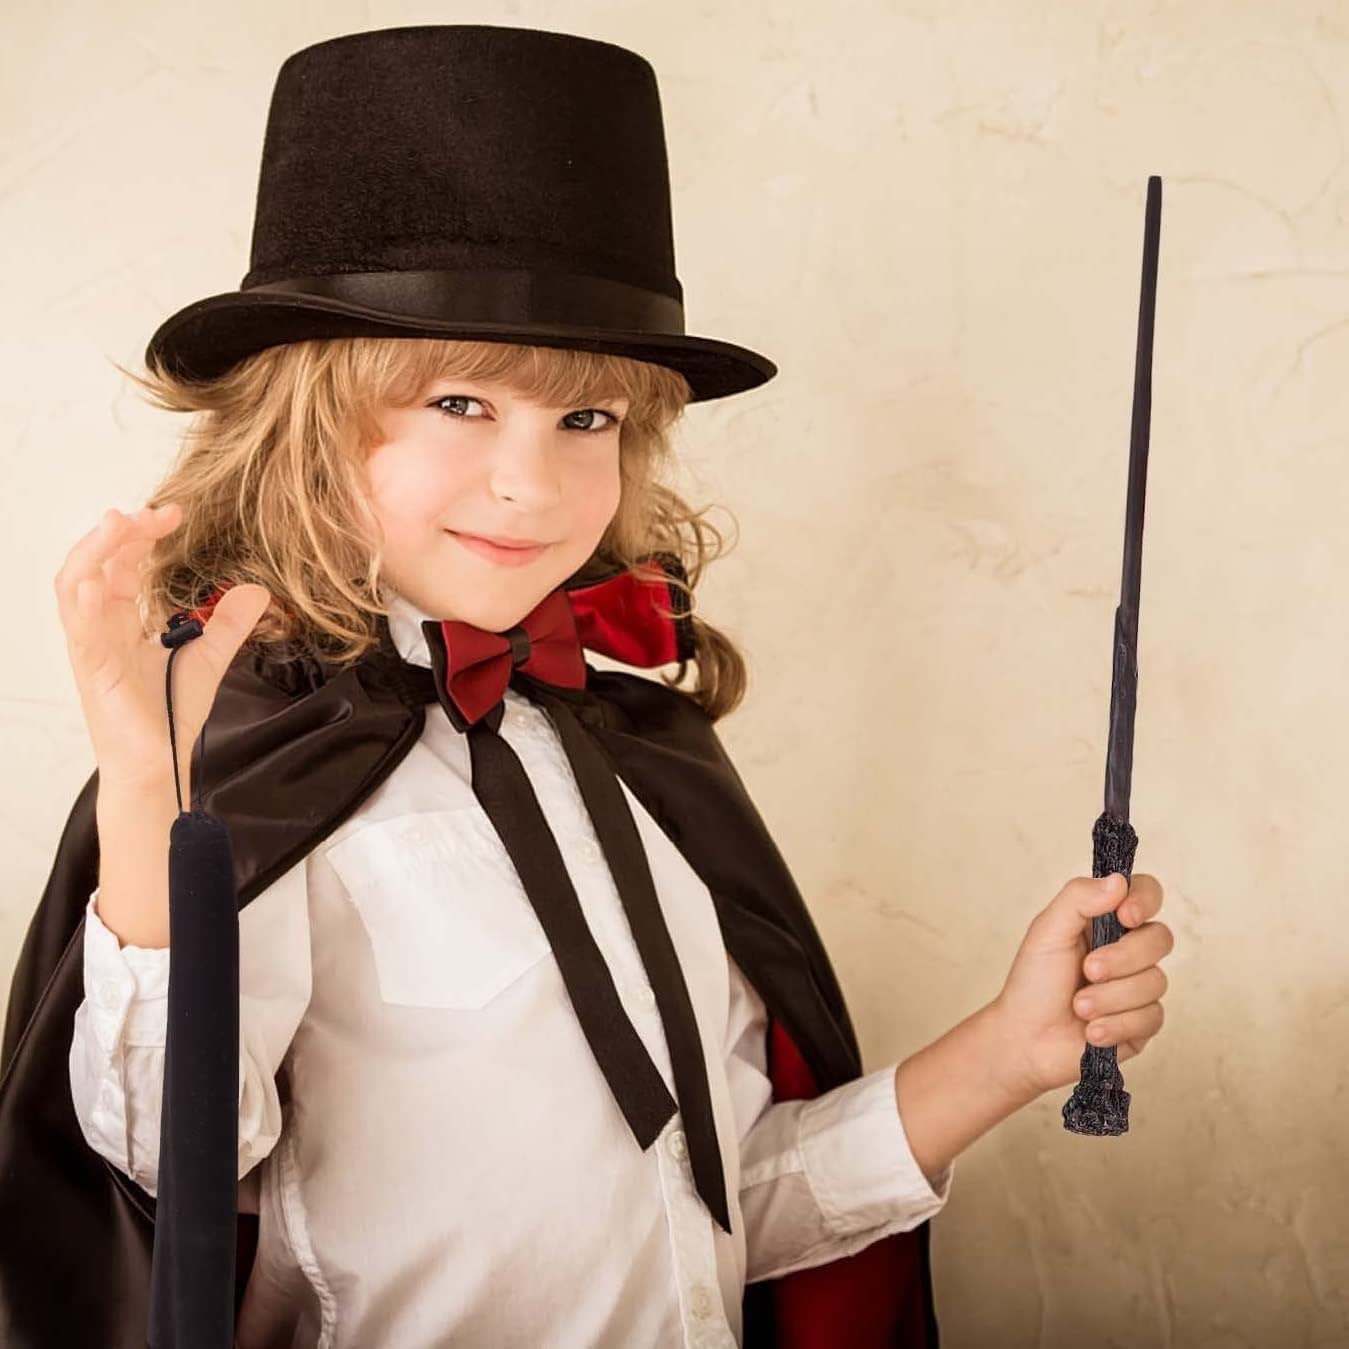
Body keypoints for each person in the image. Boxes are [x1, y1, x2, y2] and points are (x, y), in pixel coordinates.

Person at [0, 24, 1173, 1349]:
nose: (533, 484)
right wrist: (147, 793)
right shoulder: (238, 769)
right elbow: (168, 1160)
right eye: (459, 404)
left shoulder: (639, 749)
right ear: (305, 426)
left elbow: (720, 1207)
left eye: (586, 420)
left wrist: (1009, 1049)